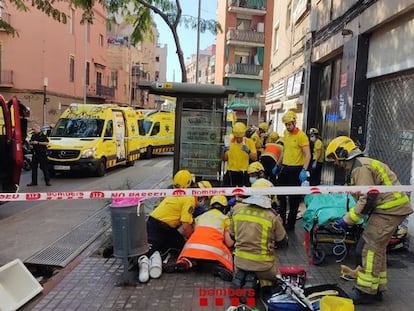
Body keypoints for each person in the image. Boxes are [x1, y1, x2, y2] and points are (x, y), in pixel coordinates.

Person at [326, 136, 413, 305]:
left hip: (389, 209)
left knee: (369, 248)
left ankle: (365, 291)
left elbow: (368, 196)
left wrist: (347, 220)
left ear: (342, 153)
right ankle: (377, 289)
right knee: (377, 248)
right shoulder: (361, 165)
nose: (335, 163)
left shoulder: (360, 168)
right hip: (390, 209)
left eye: (333, 158)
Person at [139, 169, 196, 283]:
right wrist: (193, 240)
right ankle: (149, 263)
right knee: (147, 251)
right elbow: (185, 226)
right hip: (158, 227)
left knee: (179, 247)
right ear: (190, 183)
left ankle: (163, 258)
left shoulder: (174, 193)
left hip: (162, 226)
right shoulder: (188, 198)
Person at [230, 178, 288, 288]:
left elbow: (232, 236)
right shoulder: (272, 217)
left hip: (239, 262)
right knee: (278, 278)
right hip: (264, 267)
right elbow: (282, 242)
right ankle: (259, 282)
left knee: (244, 269)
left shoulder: (237, 210)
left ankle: (245, 276)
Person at [163, 195, 234, 281]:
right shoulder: (225, 219)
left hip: (191, 248)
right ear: (224, 208)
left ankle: (185, 262)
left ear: (210, 206)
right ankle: (220, 266)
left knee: (190, 257)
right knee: (227, 255)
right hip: (213, 250)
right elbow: (229, 242)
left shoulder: (200, 217)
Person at [276, 110, 311, 230]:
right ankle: (281, 220)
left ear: (294, 122)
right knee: (280, 195)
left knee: (293, 198)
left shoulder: (301, 136)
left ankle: (290, 224)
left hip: (296, 169)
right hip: (285, 168)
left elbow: (308, 155)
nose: (287, 126)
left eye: (289, 124)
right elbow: (284, 151)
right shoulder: (286, 134)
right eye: (286, 124)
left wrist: (304, 170)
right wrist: (278, 164)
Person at [222, 122, 257, 187]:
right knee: (228, 193)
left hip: (244, 171)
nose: (238, 139)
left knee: (244, 194)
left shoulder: (249, 142)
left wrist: (248, 151)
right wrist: (225, 151)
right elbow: (224, 159)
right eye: (237, 137)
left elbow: (255, 158)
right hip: (231, 171)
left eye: (240, 137)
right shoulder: (229, 141)